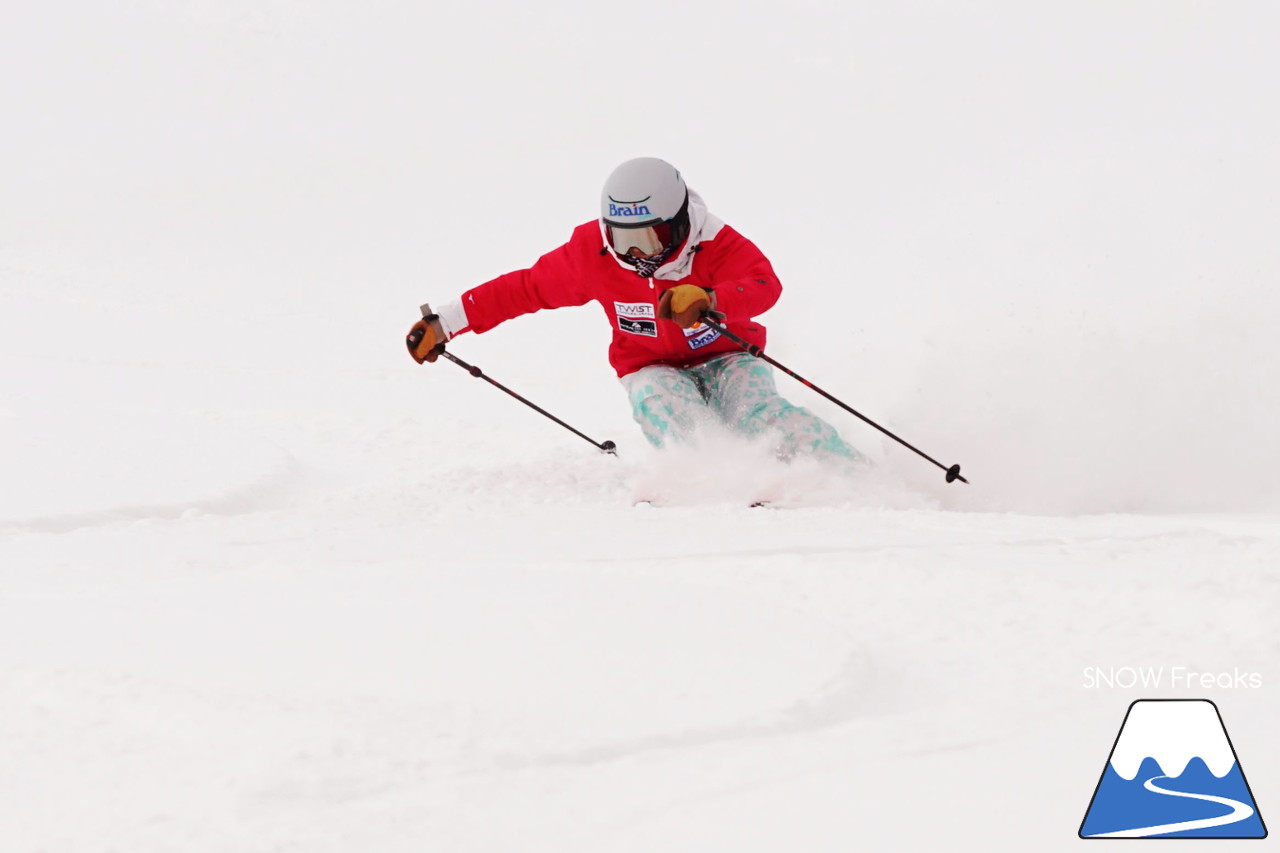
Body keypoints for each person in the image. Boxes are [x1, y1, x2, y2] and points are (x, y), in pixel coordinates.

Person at [406, 157, 862, 462]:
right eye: (624, 239)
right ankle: (710, 487)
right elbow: (526, 288)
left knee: (757, 415)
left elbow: (766, 285)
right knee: (663, 407)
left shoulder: (715, 241)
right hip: (650, 366)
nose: (637, 253)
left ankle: (849, 475)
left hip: (729, 354)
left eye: (649, 238)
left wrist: (711, 298)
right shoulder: (593, 253)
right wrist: (447, 320)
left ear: (679, 221)